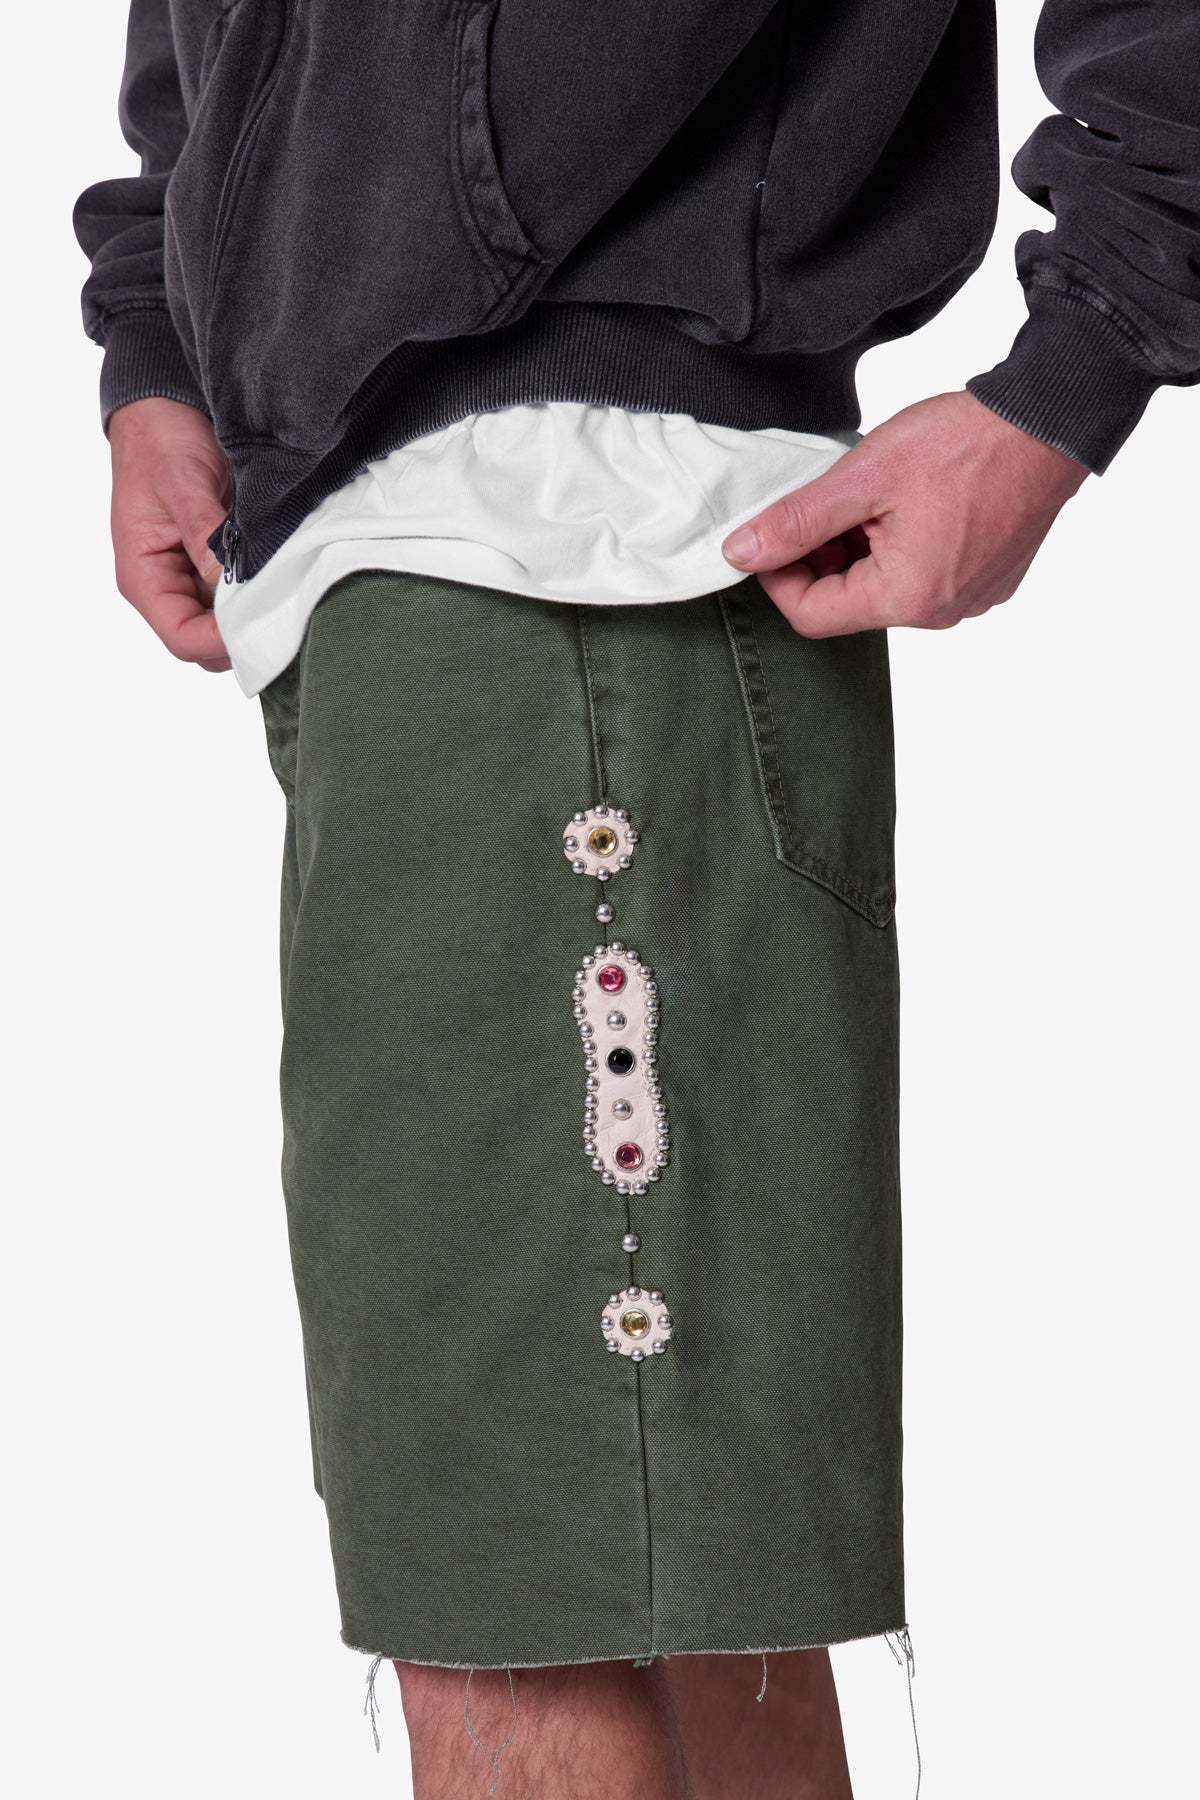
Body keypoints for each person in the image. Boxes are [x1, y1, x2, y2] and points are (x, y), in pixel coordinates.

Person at [75, 3, 1199, 1794]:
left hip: (568, 548)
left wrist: (1082, 365)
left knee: (514, 1587)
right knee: (675, 1594)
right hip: (383, 554)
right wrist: (159, 344)